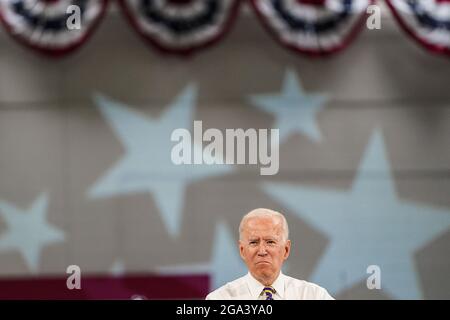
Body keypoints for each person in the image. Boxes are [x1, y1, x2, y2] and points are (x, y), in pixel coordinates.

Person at [206, 208, 334, 300]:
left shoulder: (313, 295)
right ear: (242, 250)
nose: (262, 251)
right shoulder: (221, 298)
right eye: (254, 242)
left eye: (270, 242)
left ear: (286, 250)